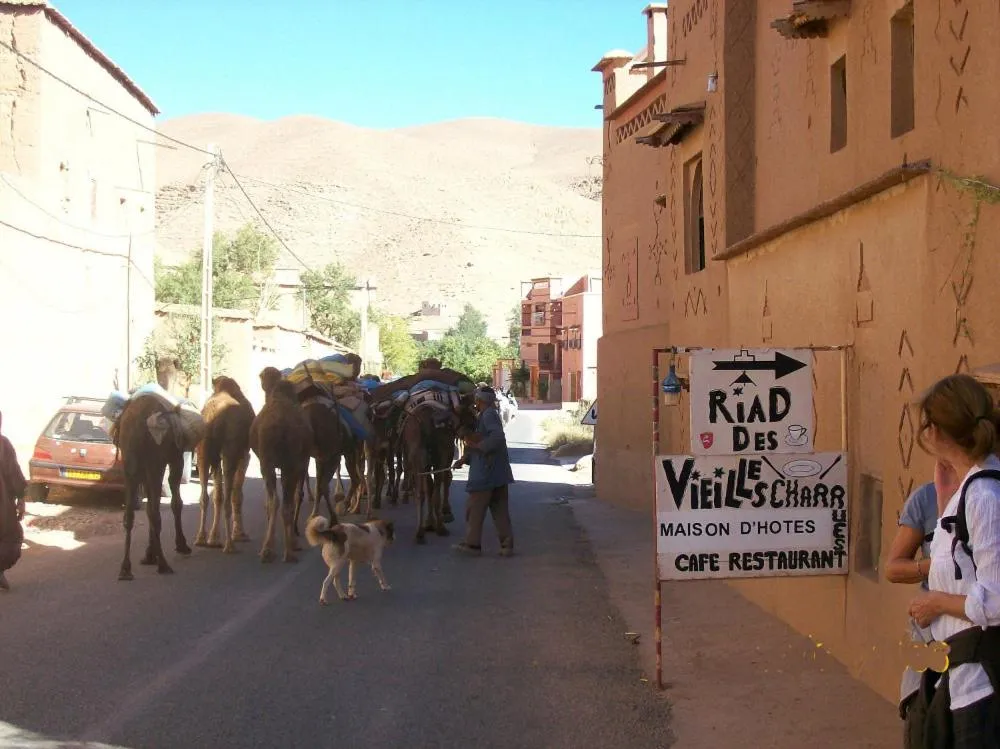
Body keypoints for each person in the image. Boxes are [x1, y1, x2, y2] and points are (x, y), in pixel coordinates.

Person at [906, 374, 1000, 748]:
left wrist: (935, 603)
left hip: (982, 684)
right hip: (959, 680)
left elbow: (994, 602)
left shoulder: (985, 497)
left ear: (936, 431)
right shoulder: (970, 490)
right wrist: (947, 496)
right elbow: (962, 567)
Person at [885, 482, 938, 721]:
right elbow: (893, 569)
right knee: (922, 719)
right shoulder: (927, 498)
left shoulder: (988, 492)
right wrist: (932, 567)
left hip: (983, 625)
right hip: (931, 630)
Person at [453, 386, 515, 557]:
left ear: (480, 401)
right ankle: (506, 545)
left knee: (473, 510)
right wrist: (465, 459)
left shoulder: (488, 415)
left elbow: (496, 438)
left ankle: (472, 545)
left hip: (485, 474)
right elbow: (483, 439)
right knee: (500, 510)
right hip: (498, 474)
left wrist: (479, 448)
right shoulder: (488, 415)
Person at [0, 411, 27, 591]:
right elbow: (14, 474)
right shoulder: (2, 444)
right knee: (12, 539)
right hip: (2, 508)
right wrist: (21, 498)